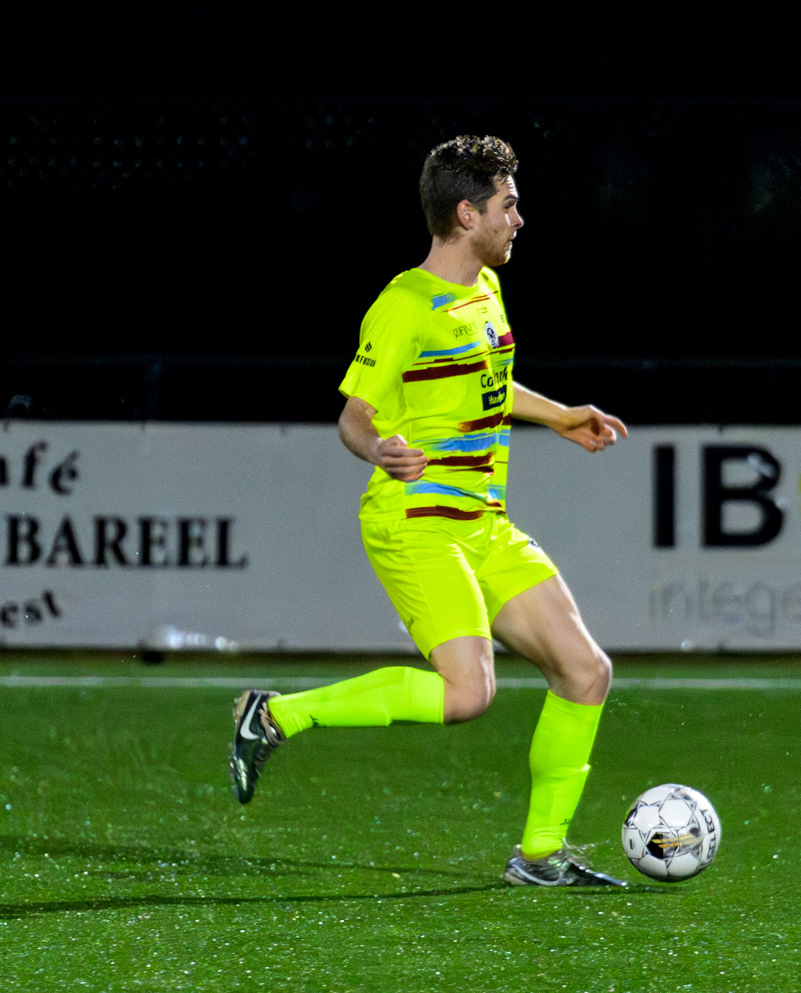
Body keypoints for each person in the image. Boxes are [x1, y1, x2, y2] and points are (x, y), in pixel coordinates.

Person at [229, 135, 629, 887]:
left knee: (585, 671)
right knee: (468, 694)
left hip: (483, 523)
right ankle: (277, 715)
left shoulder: (486, 289)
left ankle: (540, 856)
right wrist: (378, 448)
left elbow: (486, 385)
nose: (519, 219)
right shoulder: (403, 306)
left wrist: (560, 415)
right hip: (415, 523)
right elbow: (354, 416)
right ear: (467, 213)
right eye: (509, 205)